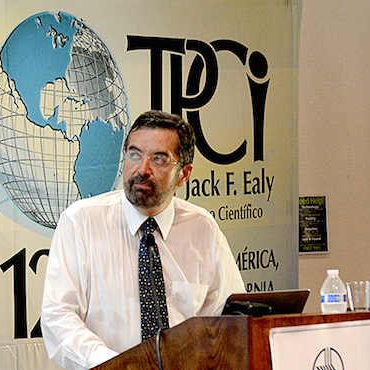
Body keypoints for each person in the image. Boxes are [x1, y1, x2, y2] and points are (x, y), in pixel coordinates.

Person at [40, 110, 245, 369]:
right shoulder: (81, 222)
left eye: (158, 159)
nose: (141, 169)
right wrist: (117, 365)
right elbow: (58, 316)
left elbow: (227, 319)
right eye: (134, 155)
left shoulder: (202, 229)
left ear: (184, 174)